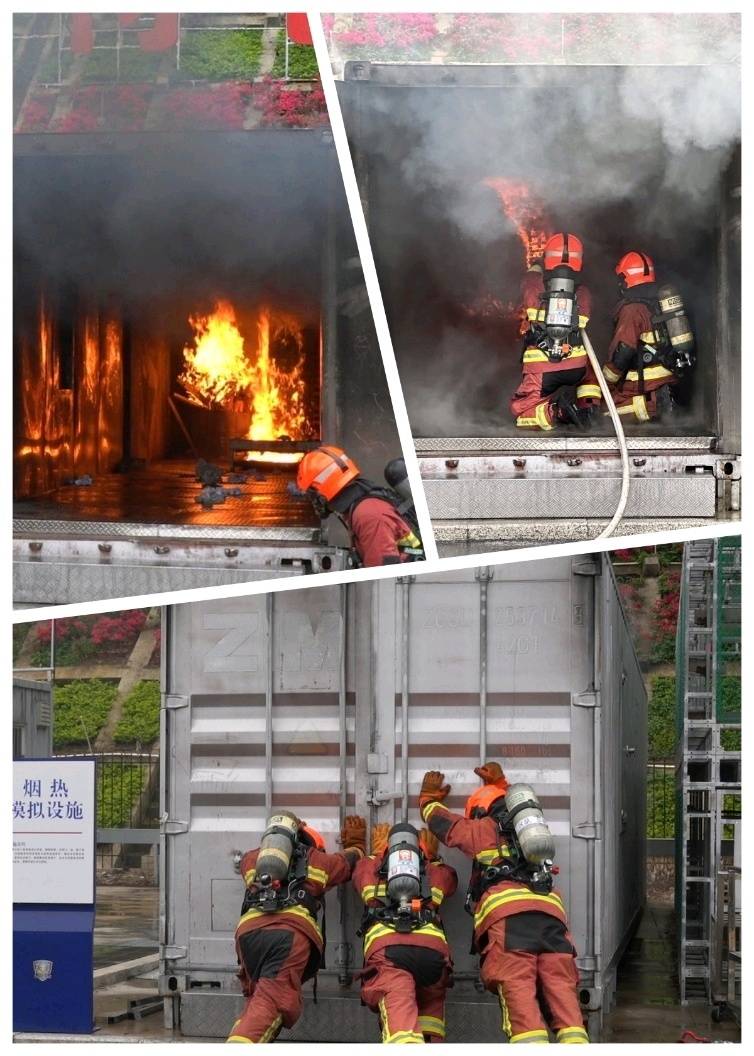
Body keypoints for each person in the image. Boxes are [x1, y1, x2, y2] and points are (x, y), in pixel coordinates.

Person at [419, 763, 588, 1045]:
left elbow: (444, 826)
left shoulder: (483, 830)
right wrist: (502, 785)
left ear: (478, 812)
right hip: (551, 921)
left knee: (521, 1004)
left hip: (511, 924)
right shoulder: (533, 835)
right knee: (564, 1000)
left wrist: (427, 801)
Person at [227, 812, 366, 1043]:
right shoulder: (318, 861)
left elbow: (244, 865)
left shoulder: (254, 859)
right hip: (287, 937)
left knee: (257, 1002)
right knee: (270, 1004)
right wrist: (357, 846)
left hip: (247, 937)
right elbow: (346, 864)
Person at [353, 822, 457, 1043]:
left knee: (401, 1025)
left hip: (389, 952)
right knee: (431, 1018)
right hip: (432, 953)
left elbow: (358, 872)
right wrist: (431, 857)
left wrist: (374, 854)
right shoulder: (432, 872)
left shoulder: (371, 870)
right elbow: (452, 880)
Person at [510, 233, 601, 431]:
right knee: (590, 374)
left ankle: (558, 411)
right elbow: (583, 322)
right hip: (577, 366)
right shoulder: (583, 292)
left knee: (522, 415)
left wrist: (535, 268)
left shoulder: (534, 282)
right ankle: (588, 406)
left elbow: (528, 289)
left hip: (544, 367)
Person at [603, 251, 695, 422]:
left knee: (606, 414)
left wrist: (604, 384)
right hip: (670, 381)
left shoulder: (632, 310)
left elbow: (622, 352)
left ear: (626, 279)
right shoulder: (658, 304)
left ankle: (654, 405)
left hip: (644, 388)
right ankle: (662, 402)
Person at [295, 445, 423, 567]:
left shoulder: (368, 516)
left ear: (323, 489)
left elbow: (381, 580)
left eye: (312, 494)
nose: (312, 501)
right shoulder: (361, 506)